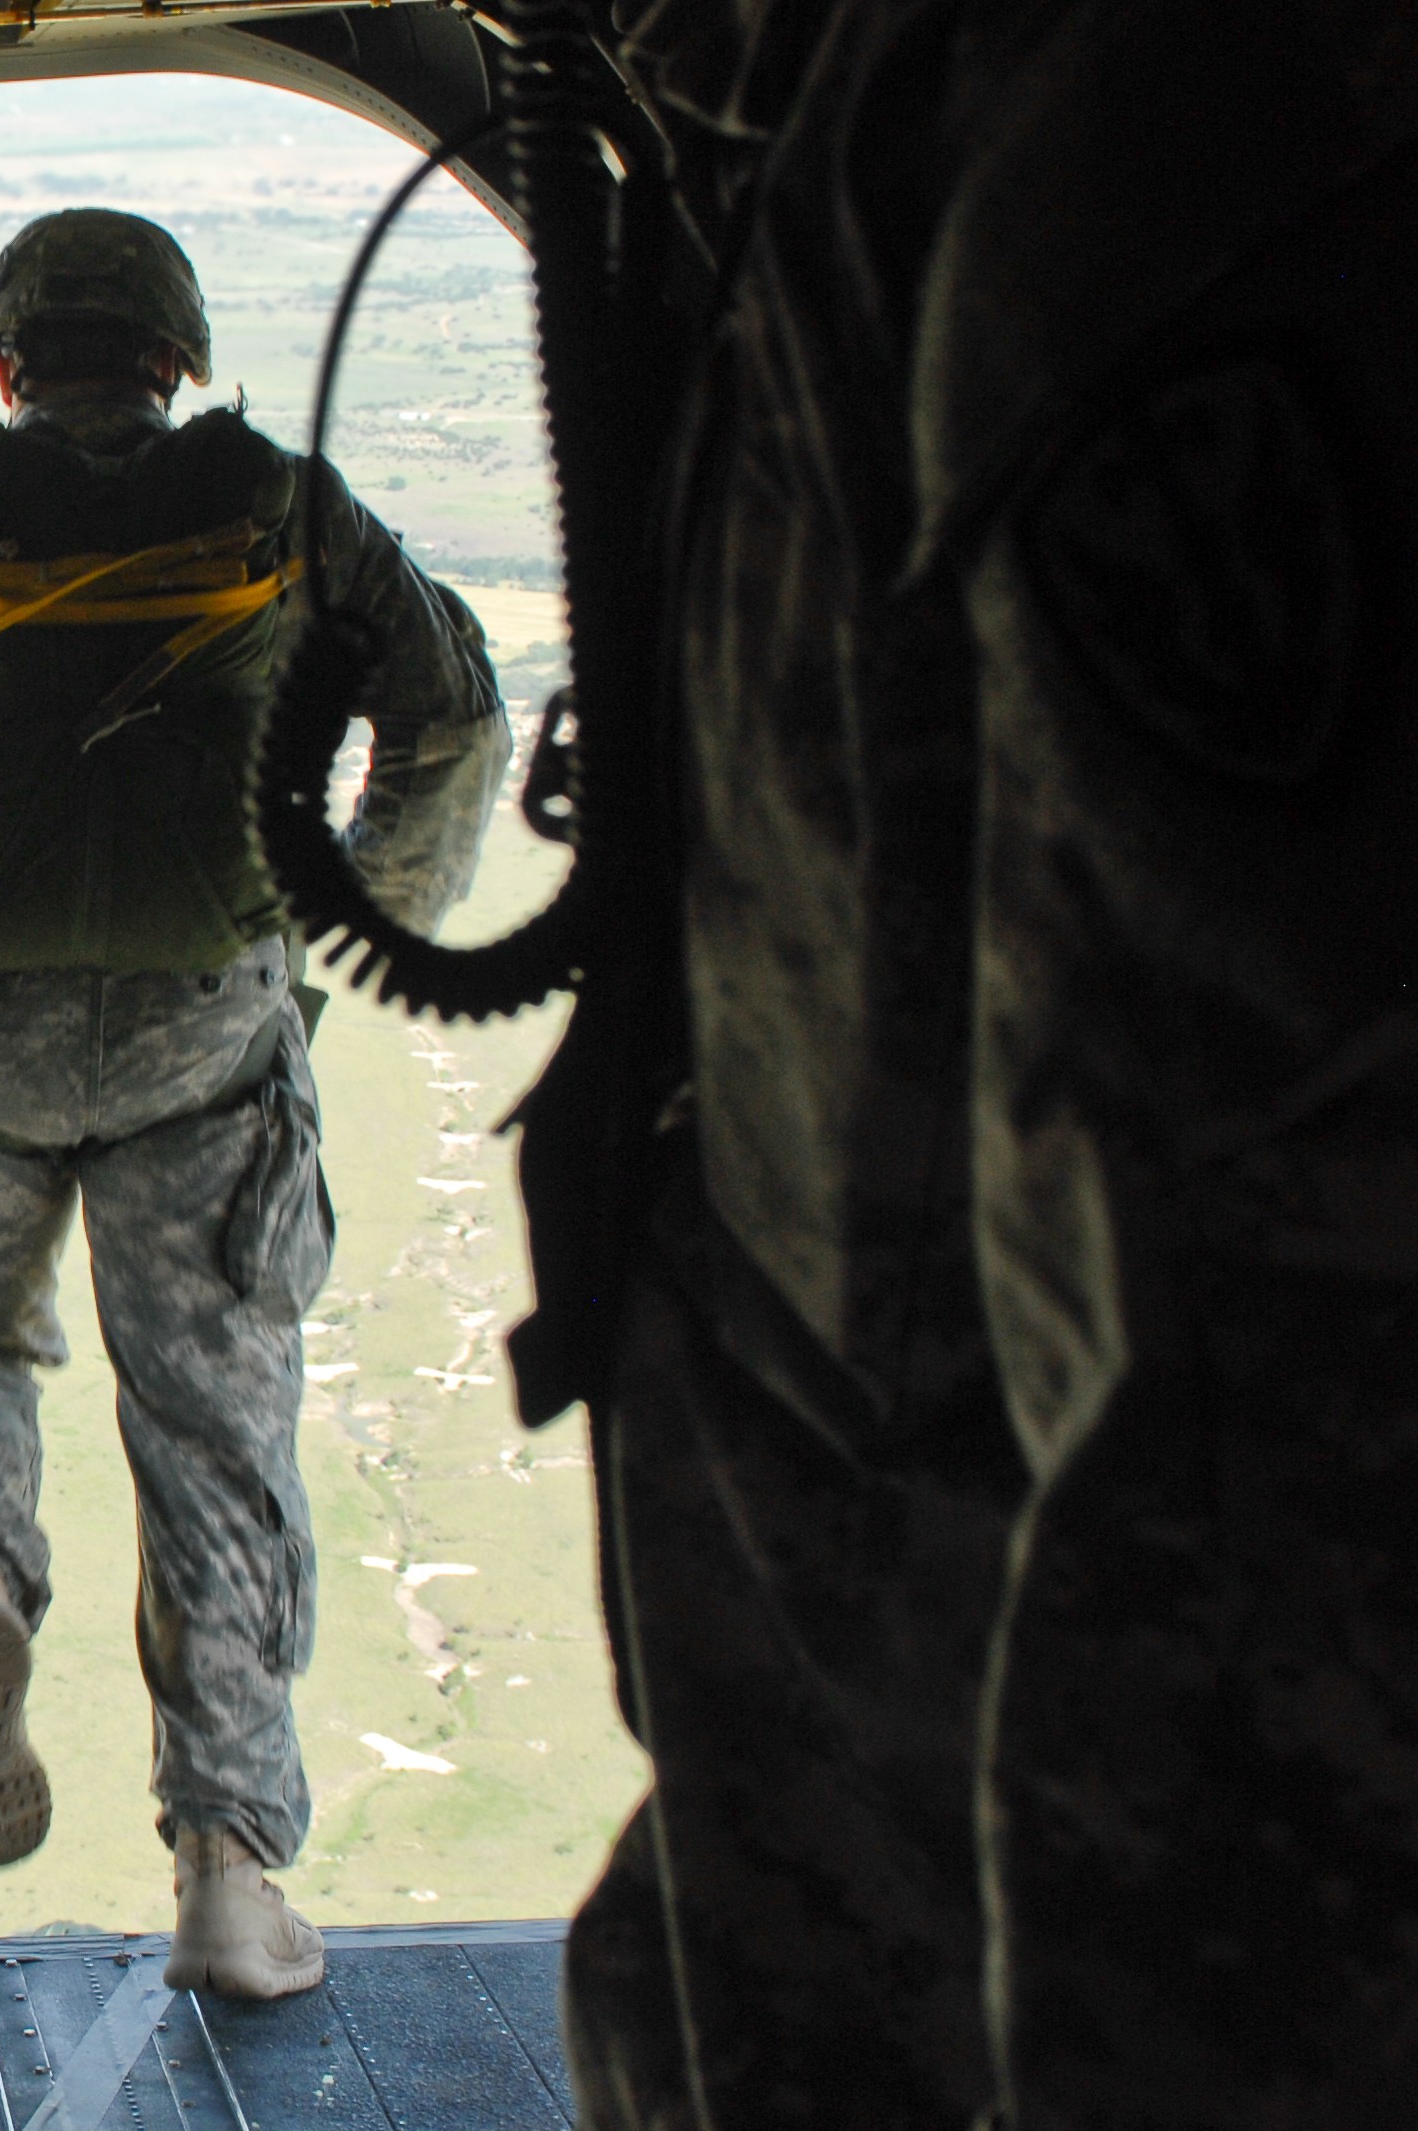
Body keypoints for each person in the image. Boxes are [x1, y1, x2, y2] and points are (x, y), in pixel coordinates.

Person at [530, 4, 1418, 2124]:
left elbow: (1267, 1543)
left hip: (960, 1899)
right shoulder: (838, 145)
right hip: (822, 1806)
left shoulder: (1154, 138)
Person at [0, 208, 506, 1997]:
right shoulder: (286, 508)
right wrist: (345, 922)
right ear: (177, 359)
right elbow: (450, 712)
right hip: (207, 1027)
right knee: (215, 1434)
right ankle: (227, 1876)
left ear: (3, 362)